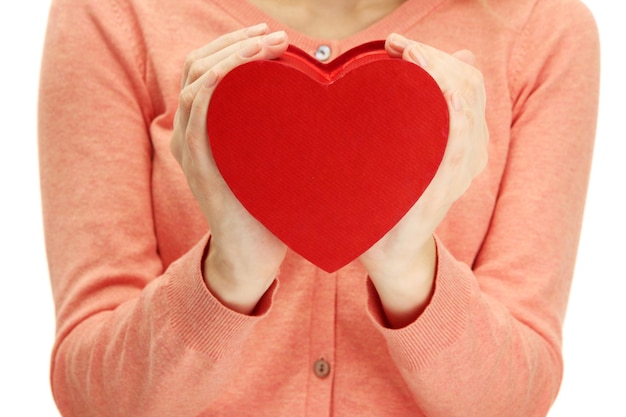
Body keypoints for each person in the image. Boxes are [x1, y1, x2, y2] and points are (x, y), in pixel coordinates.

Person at [37, 0, 600, 415]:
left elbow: (518, 400)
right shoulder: (112, 14)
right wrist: (233, 268)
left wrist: (406, 263)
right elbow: (90, 400)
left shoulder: (541, 30)